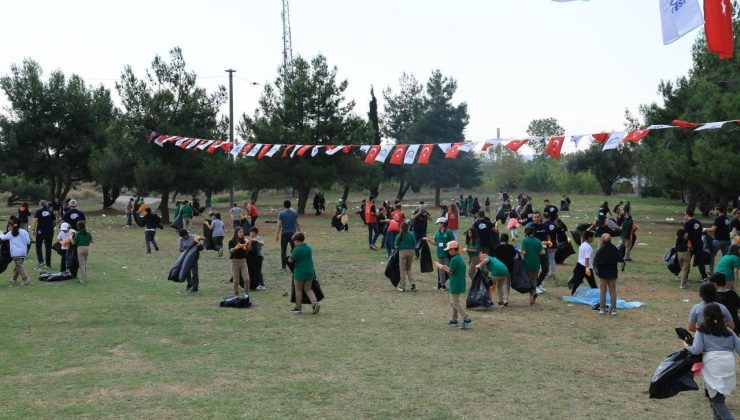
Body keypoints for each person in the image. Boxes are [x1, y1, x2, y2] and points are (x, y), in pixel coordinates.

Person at [685, 303, 740, 420]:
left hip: (713, 365)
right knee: (719, 396)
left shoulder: (702, 331)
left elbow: (696, 350)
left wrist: (686, 346)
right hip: (728, 363)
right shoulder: (728, 331)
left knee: (716, 401)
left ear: (705, 317)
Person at [437, 241, 471, 329]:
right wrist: (444, 266)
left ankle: (466, 319)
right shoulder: (458, 258)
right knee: (453, 301)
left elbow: (451, 272)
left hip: (455, 283)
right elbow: (453, 270)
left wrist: (441, 267)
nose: (448, 252)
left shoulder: (454, 259)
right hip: (458, 282)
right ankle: (454, 319)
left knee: (455, 302)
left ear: (453, 249)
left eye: (449, 250)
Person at [288, 232, 320, 314]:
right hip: (310, 271)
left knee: (298, 290)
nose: (294, 243)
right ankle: (315, 303)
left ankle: (298, 308)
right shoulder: (309, 247)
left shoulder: (296, 249)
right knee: (308, 288)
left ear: (297, 241)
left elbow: (290, 260)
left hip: (299, 272)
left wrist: (289, 257)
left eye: (294, 241)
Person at [594, 233, 624, 315]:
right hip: (612, 272)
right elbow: (621, 260)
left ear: (602, 240)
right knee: (613, 291)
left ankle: (602, 309)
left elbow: (595, 262)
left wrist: (597, 271)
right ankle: (613, 309)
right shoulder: (614, 249)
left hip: (603, 273)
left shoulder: (600, 250)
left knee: (602, 291)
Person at [424, 217, 456, 290]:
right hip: (440, 254)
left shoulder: (449, 232)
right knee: (441, 270)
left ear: (442, 224)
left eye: (438, 224)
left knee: (448, 269)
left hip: (448, 254)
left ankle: (453, 283)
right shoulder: (437, 233)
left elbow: (453, 242)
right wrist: (428, 240)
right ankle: (442, 284)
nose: (437, 225)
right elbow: (436, 243)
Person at [520, 226, 544, 305]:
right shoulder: (538, 241)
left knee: (529, 280)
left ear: (525, 233)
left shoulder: (524, 240)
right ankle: (533, 294)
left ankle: (532, 294)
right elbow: (542, 252)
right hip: (536, 263)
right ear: (533, 232)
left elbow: (524, 252)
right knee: (534, 279)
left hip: (527, 263)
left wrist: (518, 250)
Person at [569, 230, 597, 295]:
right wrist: (587, 268)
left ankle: (573, 293)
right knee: (592, 283)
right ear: (589, 238)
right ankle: (597, 295)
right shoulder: (588, 247)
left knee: (577, 281)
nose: (593, 239)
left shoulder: (582, 244)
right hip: (586, 267)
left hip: (579, 265)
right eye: (593, 237)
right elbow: (586, 258)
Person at [684, 210, 708, 281]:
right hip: (699, 243)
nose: (684, 216)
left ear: (688, 214)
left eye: (684, 214)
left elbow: (686, 235)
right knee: (700, 261)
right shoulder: (698, 222)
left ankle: (685, 277)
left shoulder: (687, 223)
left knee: (687, 261)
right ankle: (704, 277)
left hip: (690, 245)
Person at [705, 207, 732, 273]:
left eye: (715, 209)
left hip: (718, 240)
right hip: (727, 240)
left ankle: (711, 271)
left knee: (711, 255)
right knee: (726, 257)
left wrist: (706, 229)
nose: (714, 211)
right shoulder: (727, 219)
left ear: (718, 210)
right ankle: (726, 271)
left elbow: (713, 229)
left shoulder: (718, 218)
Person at [276, 200, 300, 271]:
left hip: (284, 234)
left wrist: (277, 235)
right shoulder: (295, 213)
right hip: (293, 234)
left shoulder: (281, 214)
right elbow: (297, 224)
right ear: (290, 205)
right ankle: (295, 265)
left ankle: (283, 267)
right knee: (294, 249)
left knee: (283, 250)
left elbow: (279, 225)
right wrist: (300, 233)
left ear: (284, 205)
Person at [493, 233, 516, 306]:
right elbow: (514, 256)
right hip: (509, 267)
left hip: (500, 268)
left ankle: (502, 298)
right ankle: (505, 298)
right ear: (507, 239)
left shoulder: (497, 247)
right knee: (507, 283)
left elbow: (495, 258)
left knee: (500, 284)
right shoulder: (510, 247)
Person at [531, 212, 552, 293]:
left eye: (537, 217)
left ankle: (538, 283)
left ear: (540, 217)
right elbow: (529, 238)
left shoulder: (544, 226)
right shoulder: (531, 226)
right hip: (535, 251)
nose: (536, 218)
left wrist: (549, 241)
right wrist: (539, 242)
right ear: (532, 218)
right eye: (534, 217)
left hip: (544, 250)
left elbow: (548, 236)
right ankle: (534, 287)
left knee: (546, 269)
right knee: (536, 270)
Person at [32, 200, 56, 268]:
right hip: (49, 231)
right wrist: (51, 227)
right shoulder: (51, 212)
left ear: (40, 205)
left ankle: (41, 262)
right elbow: (54, 222)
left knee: (38, 246)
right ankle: (48, 264)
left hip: (40, 231)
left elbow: (35, 220)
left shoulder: (38, 211)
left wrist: (33, 229)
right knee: (48, 247)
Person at [228, 227, 251, 298]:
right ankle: (236, 294)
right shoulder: (231, 241)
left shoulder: (244, 241)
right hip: (235, 262)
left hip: (243, 261)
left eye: (242, 232)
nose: (241, 233)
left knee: (246, 279)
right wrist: (236, 247)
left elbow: (248, 250)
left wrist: (248, 244)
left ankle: (246, 294)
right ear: (236, 233)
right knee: (236, 281)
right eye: (240, 232)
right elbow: (230, 251)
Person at [395, 222, 416, 292]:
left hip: (402, 252)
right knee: (409, 268)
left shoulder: (399, 235)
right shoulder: (411, 234)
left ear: (401, 228)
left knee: (402, 269)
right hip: (411, 252)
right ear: (408, 227)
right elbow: (414, 243)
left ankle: (402, 286)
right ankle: (412, 283)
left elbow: (396, 246)